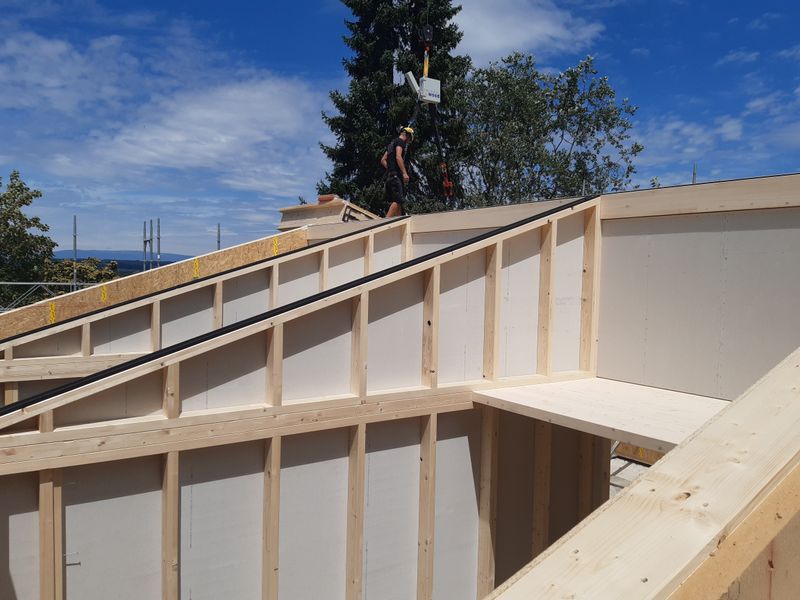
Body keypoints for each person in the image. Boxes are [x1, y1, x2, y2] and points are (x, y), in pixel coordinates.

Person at [381, 126, 414, 217]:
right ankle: (384, 222)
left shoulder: (392, 144)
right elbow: (398, 156)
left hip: (390, 177)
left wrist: (391, 168)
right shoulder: (400, 142)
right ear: (407, 135)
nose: (408, 142)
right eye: (409, 139)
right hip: (396, 177)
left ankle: (399, 219)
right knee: (398, 200)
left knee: (399, 201)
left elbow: (383, 160)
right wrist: (404, 173)